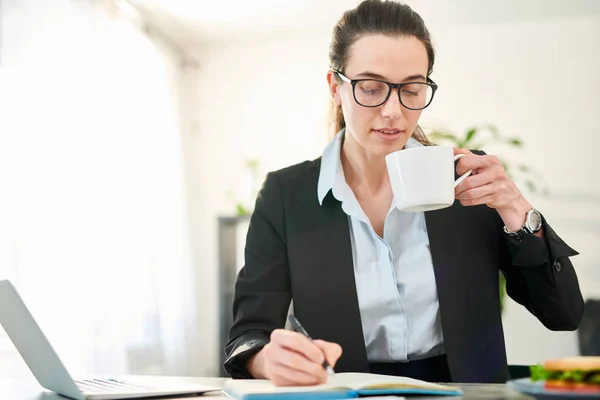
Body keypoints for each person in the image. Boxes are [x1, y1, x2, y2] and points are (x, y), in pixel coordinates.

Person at [224, 0, 583, 385]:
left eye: (412, 89)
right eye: (372, 88)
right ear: (335, 87)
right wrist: (265, 361)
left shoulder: (467, 180)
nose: (394, 111)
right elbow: (248, 336)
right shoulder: (285, 195)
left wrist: (516, 208)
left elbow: (563, 314)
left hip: (463, 391)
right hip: (344, 392)